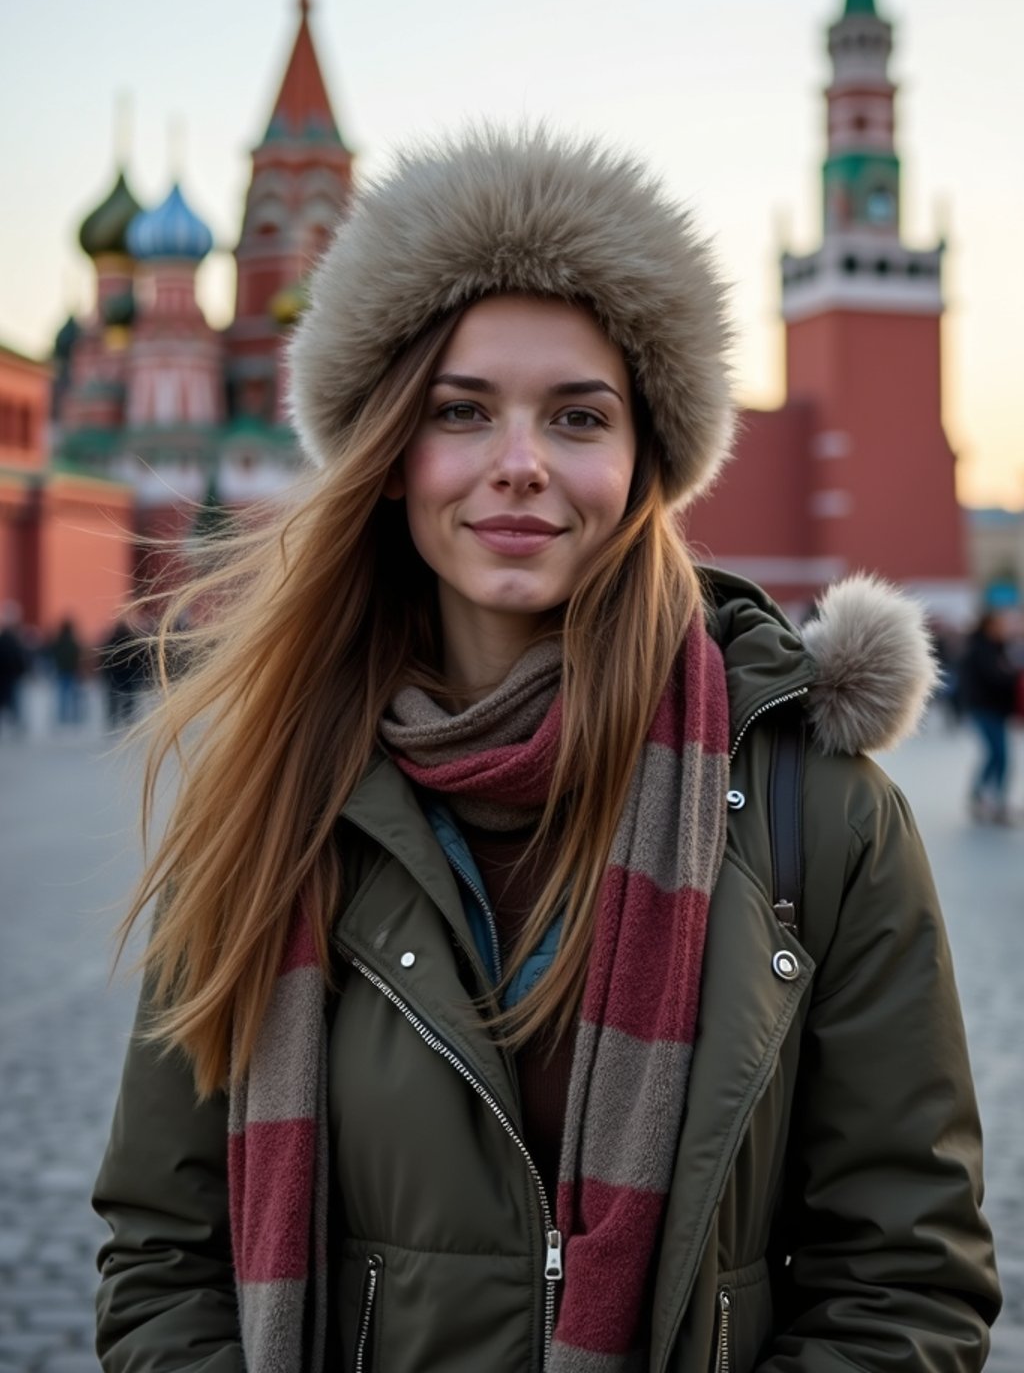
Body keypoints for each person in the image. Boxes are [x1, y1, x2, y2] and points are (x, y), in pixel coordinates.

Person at [93, 128, 1000, 1373]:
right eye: (459, 412)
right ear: (386, 452)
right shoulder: (265, 800)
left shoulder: (816, 815)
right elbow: (162, 1256)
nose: (518, 466)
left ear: (642, 466)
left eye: (578, 416)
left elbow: (903, 1279)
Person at [960, 607, 1020, 824]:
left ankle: (987, 798)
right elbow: (994, 678)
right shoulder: (981, 649)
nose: (1004, 628)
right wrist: (1013, 676)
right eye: (1000, 625)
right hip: (985, 709)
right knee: (998, 755)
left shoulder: (997, 647)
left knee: (997, 756)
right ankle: (988, 799)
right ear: (989, 626)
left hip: (996, 709)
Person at [0, 601, 29, 736]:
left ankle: (17, 725)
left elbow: (19, 656)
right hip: (9, 675)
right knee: (13, 700)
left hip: (10, 674)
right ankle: (17, 725)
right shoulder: (11, 638)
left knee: (14, 701)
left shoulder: (13, 637)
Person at [49, 616, 83, 725]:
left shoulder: (58, 642)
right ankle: (74, 716)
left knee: (62, 695)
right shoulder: (73, 642)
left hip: (62, 670)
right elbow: (77, 656)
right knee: (73, 695)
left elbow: (54, 654)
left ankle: (63, 716)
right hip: (71, 671)